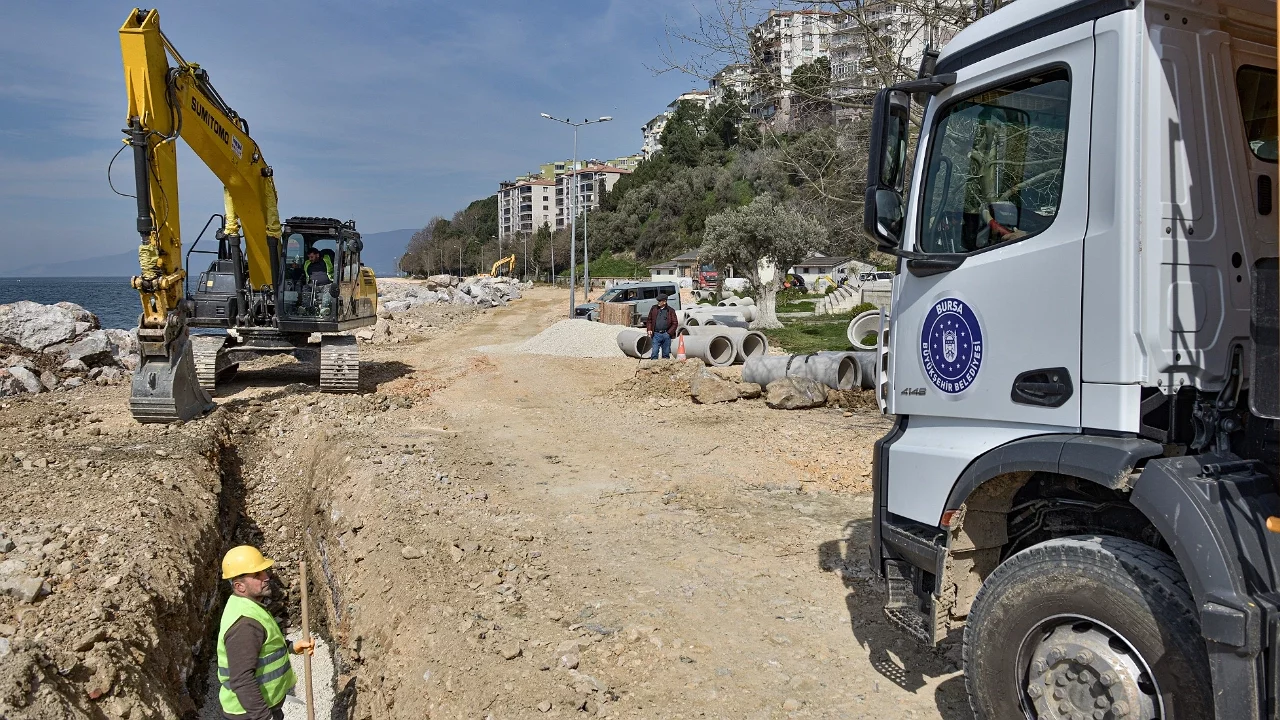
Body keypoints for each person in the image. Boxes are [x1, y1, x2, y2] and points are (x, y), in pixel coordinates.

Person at [216, 545, 313, 720]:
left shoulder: (249, 606)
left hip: (261, 708)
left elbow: (263, 644)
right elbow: (242, 679)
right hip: (250, 714)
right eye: (257, 575)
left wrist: (291, 647)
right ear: (239, 586)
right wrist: (264, 717)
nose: (266, 577)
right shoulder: (244, 624)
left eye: (264, 572)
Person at [645, 294, 679, 359]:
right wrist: (649, 329)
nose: (658, 302)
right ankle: (653, 367)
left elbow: (675, 323)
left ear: (664, 302)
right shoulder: (654, 308)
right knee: (654, 352)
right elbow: (649, 320)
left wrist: (668, 333)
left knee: (666, 354)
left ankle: (665, 368)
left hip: (666, 335)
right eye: (658, 301)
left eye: (660, 301)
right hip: (656, 334)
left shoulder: (670, 311)